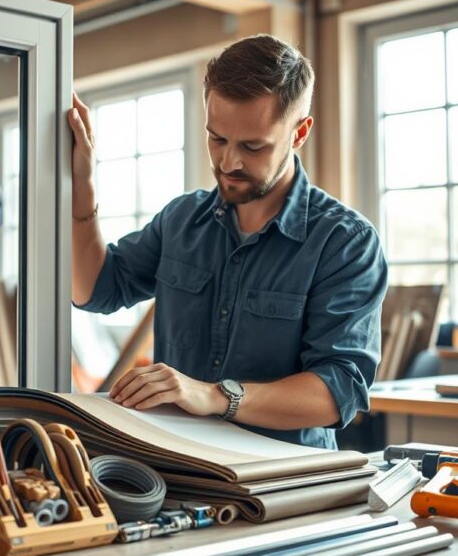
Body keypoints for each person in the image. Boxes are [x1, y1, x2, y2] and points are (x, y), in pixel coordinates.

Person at [67, 34, 387, 449]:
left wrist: (215, 396)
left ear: (300, 132)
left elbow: (337, 391)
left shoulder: (345, 243)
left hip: (281, 479)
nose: (229, 162)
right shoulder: (181, 220)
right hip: (180, 465)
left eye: (253, 146)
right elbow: (94, 290)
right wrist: (82, 185)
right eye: (217, 138)